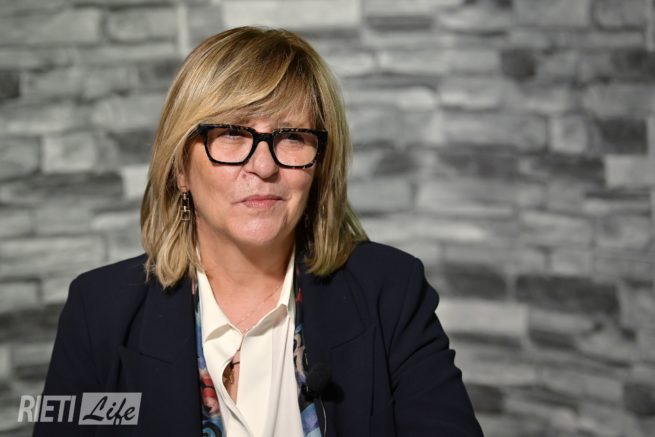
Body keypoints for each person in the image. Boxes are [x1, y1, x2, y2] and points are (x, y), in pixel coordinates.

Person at [34, 26, 483, 437]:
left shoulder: (391, 291)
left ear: (319, 167)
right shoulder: (99, 312)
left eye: (292, 136)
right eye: (232, 133)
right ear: (181, 169)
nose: (264, 166)